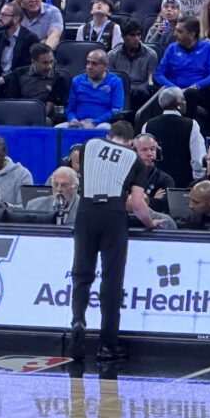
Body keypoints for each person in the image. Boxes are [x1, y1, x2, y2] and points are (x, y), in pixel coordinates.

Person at [69, 121, 160, 362]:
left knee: (81, 274)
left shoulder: (89, 145)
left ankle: (78, 320)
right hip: (113, 214)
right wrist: (150, 223)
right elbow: (139, 204)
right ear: (131, 142)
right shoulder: (135, 160)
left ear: (109, 135)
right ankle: (107, 345)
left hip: (86, 212)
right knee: (111, 279)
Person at [154, 16, 210, 137]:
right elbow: (159, 74)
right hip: (175, 90)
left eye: (180, 31)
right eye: (175, 30)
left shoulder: (208, 47)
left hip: (200, 91)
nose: (175, 34)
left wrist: (195, 86)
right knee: (157, 94)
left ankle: (188, 132)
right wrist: (174, 89)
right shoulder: (172, 48)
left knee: (190, 94)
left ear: (192, 34)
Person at [144, 85, 207, 188]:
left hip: (156, 185)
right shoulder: (191, 124)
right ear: (179, 104)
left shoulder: (148, 125)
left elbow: (145, 157)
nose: (186, 103)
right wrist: (198, 182)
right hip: (183, 185)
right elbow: (198, 160)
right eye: (184, 100)